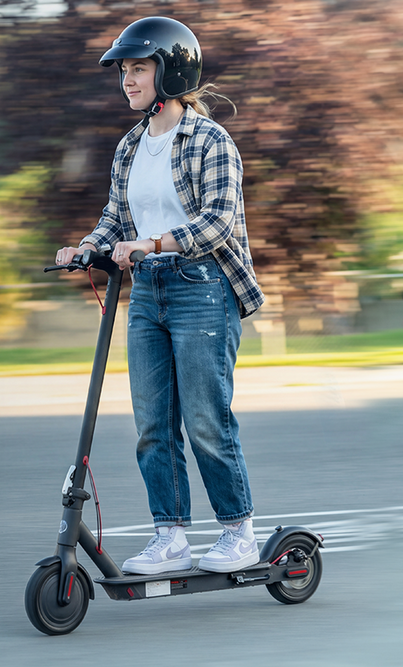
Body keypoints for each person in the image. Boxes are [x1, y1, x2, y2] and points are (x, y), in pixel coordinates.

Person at [53, 16, 267, 575]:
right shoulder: (129, 146)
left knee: (205, 418)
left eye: (139, 68)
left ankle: (238, 530)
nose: (128, 79)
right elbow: (114, 218)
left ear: (170, 71)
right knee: (152, 422)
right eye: (124, 70)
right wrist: (84, 248)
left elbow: (219, 222)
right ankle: (169, 535)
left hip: (203, 289)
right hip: (147, 291)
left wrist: (154, 242)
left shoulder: (210, 141)